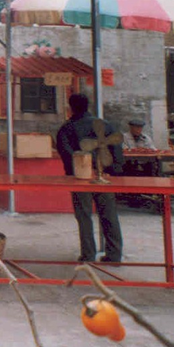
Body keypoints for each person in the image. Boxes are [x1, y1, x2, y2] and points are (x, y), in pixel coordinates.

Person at [56, 93, 124, 263]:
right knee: (109, 214)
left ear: (71, 108)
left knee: (84, 216)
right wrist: (112, 171)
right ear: (88, 106)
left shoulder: (67, 128)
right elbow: (117, 149)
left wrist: (78, 172)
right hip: (105, 177)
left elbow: (66, 154)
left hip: (80, 178)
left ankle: (88, 255)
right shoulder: (105, 125)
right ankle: (114, 254)